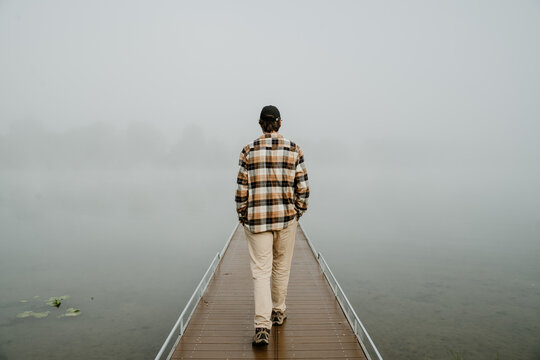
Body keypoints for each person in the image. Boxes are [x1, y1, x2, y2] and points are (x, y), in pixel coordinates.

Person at [235, 105, 310, 346]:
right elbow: (304, 189)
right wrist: (298, 212)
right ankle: (278, 311)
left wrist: (243, 215)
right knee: (281, 267)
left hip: (256, 220)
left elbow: (241, 191)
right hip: (286, 218)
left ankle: (261, 327)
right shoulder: (294, 149)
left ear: (260, 123)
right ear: (279, 123)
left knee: (260, 272)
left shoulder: (248, 150)